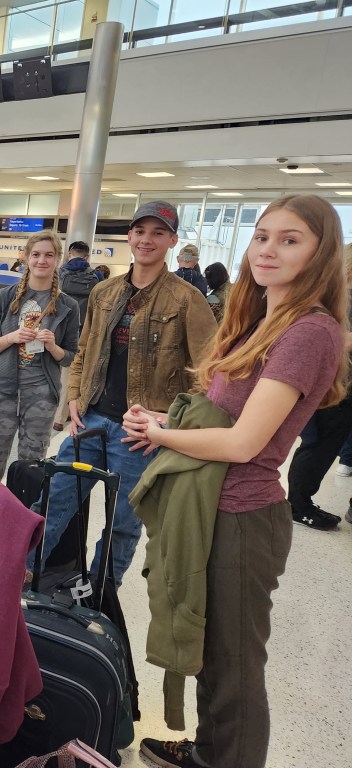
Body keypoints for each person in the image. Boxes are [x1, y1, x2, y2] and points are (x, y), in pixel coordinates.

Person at [129, 195, 347, 768]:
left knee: (235, 667)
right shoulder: (260, 321)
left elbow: (243, 444)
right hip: (214, 507)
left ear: (321, 253)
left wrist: (161, 435)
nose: (268, 250)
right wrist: (162, 420)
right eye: (262, 236)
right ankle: (209, 752)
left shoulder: (309, 332)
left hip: (242, 516)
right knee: (211, 650)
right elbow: (224, 416)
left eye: (290, 239)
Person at [32, 201, 217, 586]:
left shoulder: (187, 299)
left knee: (123, 524)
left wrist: (169, 422)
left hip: (140, 436)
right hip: (90, 420)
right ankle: (21, 573)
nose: (147, 240)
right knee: (53, 502)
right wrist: (74, 397)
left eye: (158, 233)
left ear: (172, 240)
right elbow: (84, 350)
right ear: (129, 236)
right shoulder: (104, 291)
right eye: (140, 231)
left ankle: (101, 594)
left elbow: (209, 372)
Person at [0, 231, 79, 480]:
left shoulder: (68, 306)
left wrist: (53, 346)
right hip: (2, 388)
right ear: (26, 257)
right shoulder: (5, 297)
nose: (41, 260)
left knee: (32, 466)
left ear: (58, 259)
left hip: (41, 394)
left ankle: (25, 506)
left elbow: (68, 357)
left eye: (49, 255)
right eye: (36, 254)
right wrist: (11, 337)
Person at [283, 243, 352, 530]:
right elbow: (331, 339)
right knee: (318, 445)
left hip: (337, 386)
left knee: (321, 445)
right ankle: (298, 505)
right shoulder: (337, 300)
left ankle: (300, 502)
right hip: (333, 388)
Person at [54, 240, 103, 430]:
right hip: (83, 332)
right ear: (87, 256)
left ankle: (49, 412)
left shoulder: (59, 273)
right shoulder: (97, 276)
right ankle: (61, 417)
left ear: (69, 254)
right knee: (71, 373)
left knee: (51, 371)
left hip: (57, 330)